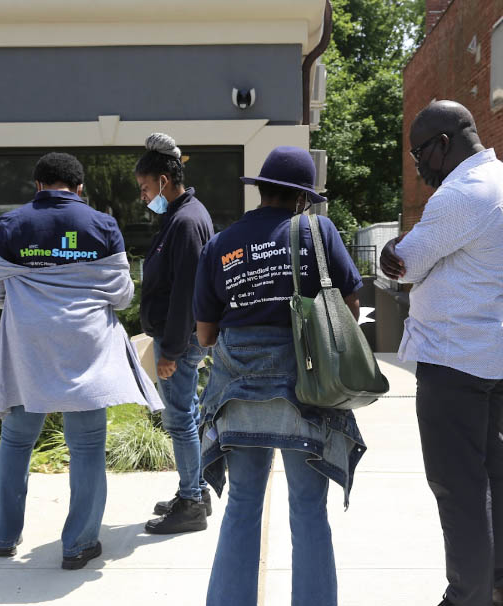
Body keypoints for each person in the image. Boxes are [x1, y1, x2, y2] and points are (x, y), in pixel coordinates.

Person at [194, 146, 367, 606]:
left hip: (238, 395)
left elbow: (207, 335)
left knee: (243, 505)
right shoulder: (318, 231)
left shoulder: (222, 243)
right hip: (306, 393)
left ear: (263, 190)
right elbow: (349, 307)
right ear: (301, 199)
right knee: (309, 510)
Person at [380, 101, 503, 606]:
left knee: (457, 485)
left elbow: (404, 264)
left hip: (454, 359)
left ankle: (466, 596)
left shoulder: (460, 195)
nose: (418, 167)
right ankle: (501, 584)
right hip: (495, 354)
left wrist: (398, 254)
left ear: (443, 145)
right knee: (491, 468)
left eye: (419, 154)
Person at [0, 152, 160, 570]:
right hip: (87, 347)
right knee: (87, 445)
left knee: (17, 440)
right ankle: (78, 545)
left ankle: (4, 538)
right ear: (80, 189)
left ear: (37, 186)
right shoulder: (103, 225)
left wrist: (28, 301)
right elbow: (122, 294)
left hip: (28, 348)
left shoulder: (11, 225)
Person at [135, 133, 215, 534]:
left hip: (178, 341)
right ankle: (195, 491)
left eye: (146, 188)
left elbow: (186, 292)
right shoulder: (183, 215)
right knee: (187, 414)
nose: (144, 197)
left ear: (165, 180)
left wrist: (169, 350)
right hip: (179, 339)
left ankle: (191, 503)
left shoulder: (185, 221)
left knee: (180, 419)